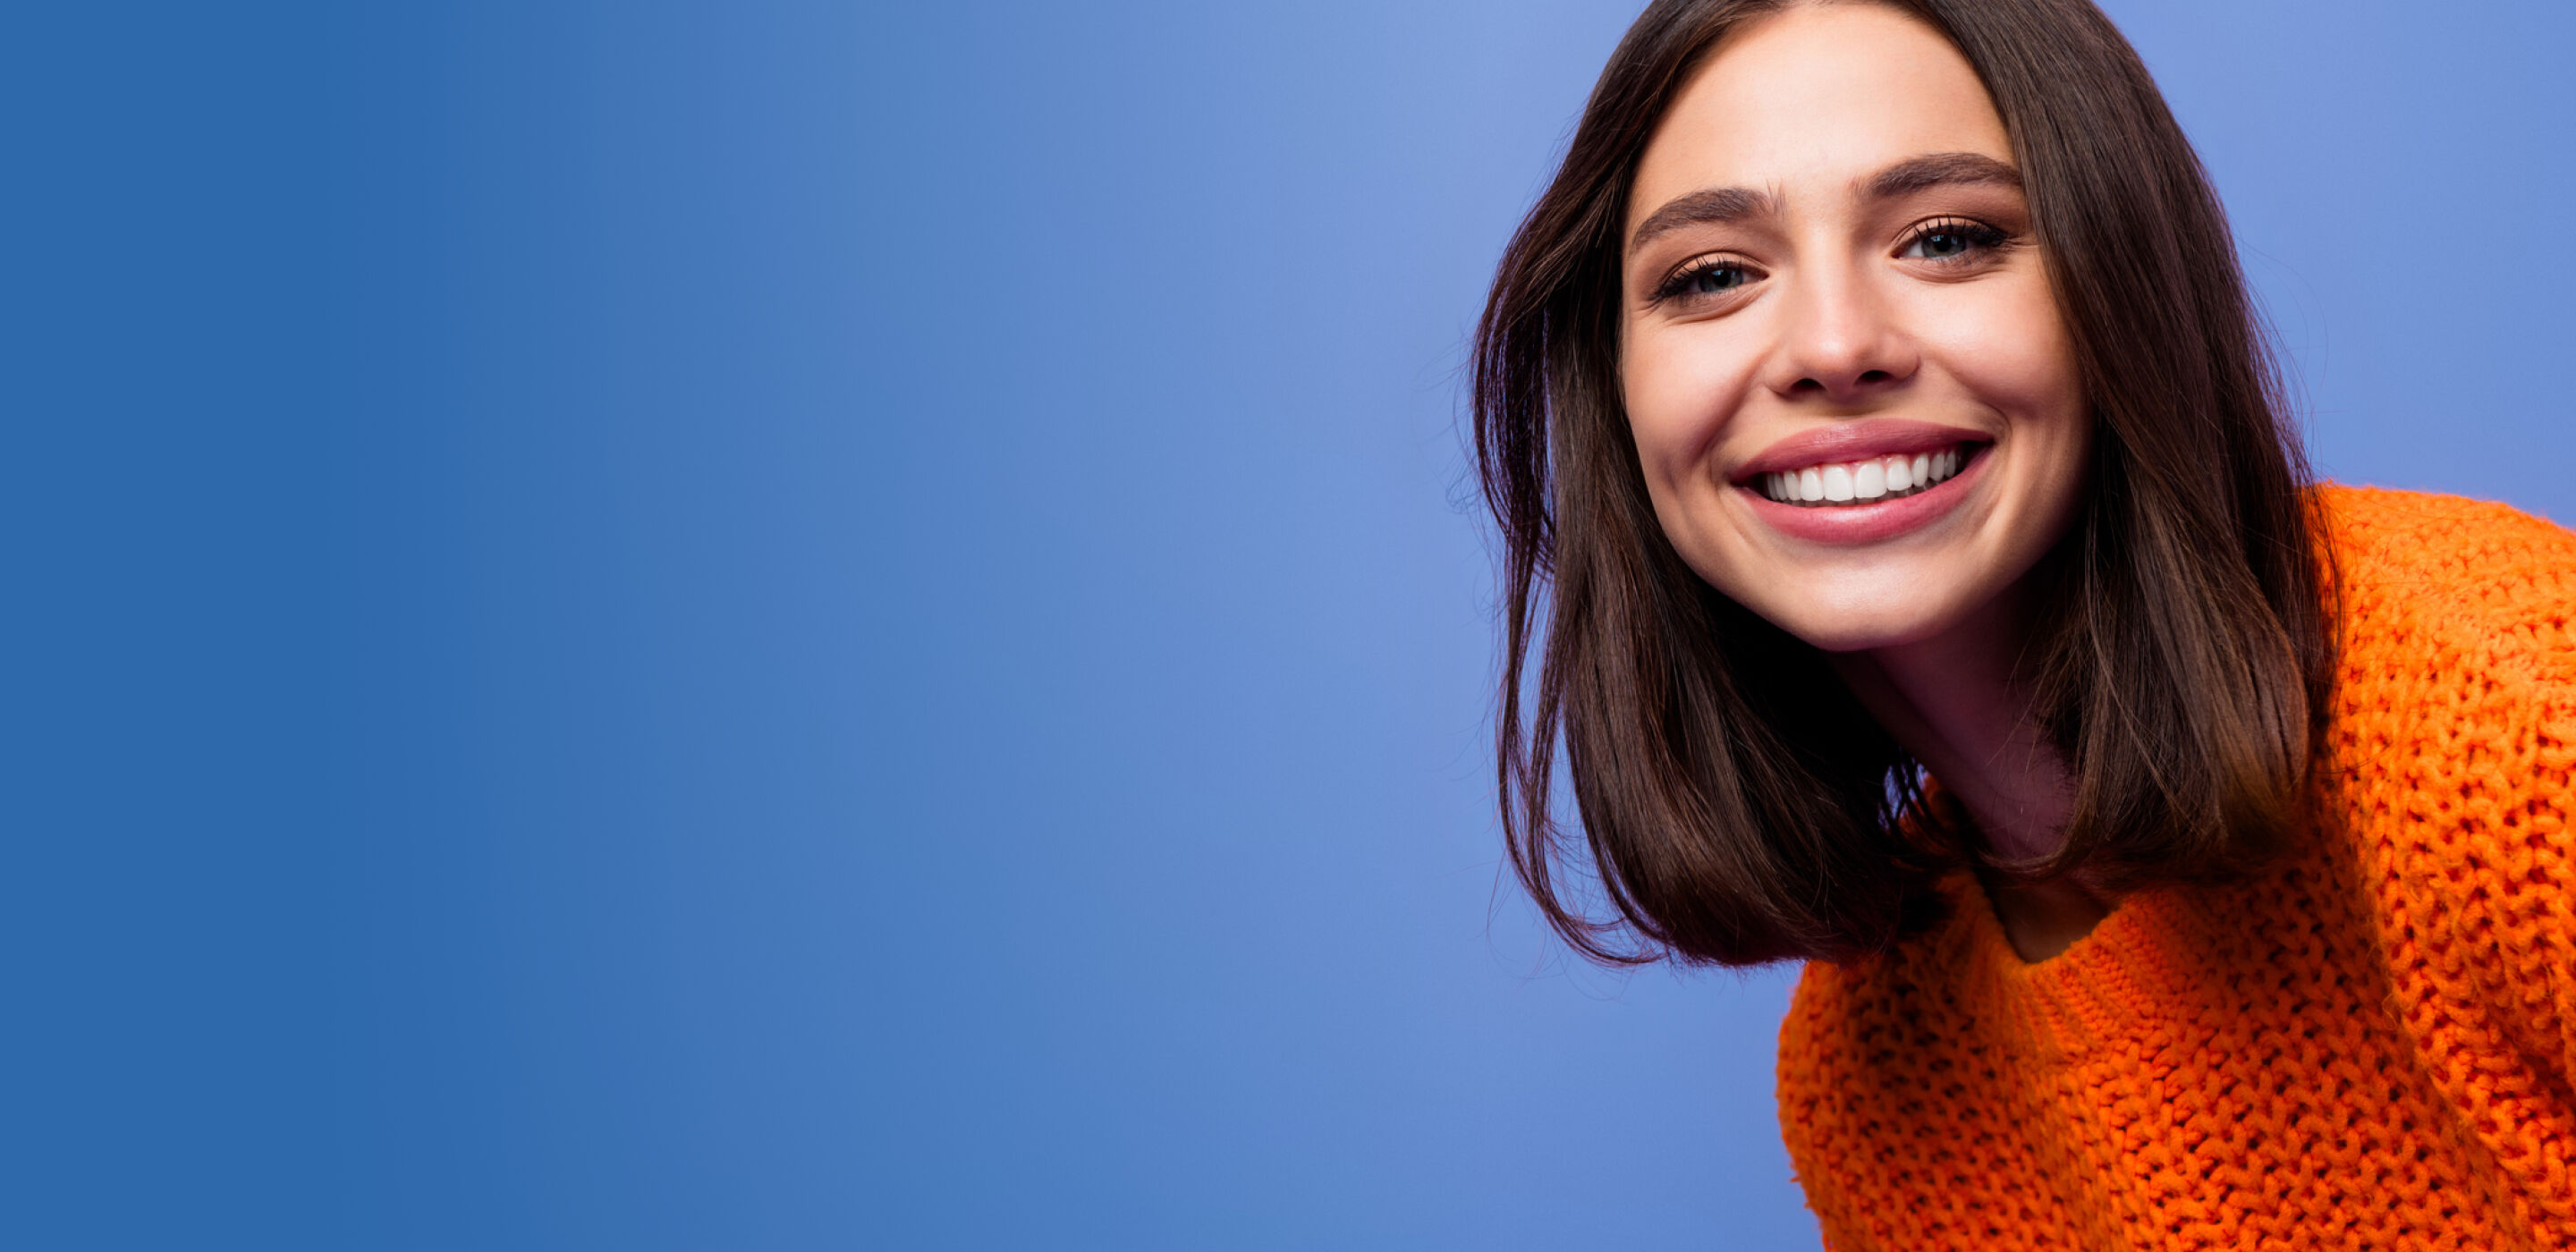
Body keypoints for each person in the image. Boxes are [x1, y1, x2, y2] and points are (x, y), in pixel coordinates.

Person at [1470, 0, 2576, 1246]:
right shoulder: (1871, 1079)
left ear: (2121, 287)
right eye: (1714, 275)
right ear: (1616, 397)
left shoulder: (2520, 729)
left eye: (1946, 239)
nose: (1833, 347)